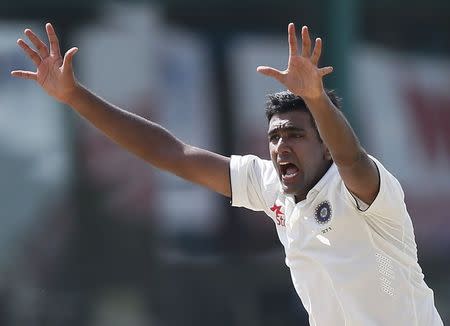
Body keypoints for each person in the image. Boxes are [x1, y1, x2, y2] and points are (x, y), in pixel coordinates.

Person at [11, 22, 443, 325]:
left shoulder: (364, 191)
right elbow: (174, 154)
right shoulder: (270, 185)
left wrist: (314, 96)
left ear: (325, 143)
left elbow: (352, 160)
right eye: (273, 137)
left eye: (295, 135)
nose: (280, 147)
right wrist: (74, 96)